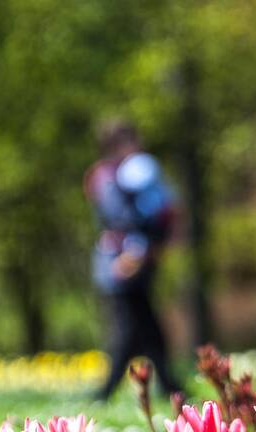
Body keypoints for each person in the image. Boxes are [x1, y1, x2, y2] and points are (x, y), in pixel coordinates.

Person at [85, 120, 183, 401]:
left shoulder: (139, 174)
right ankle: (105, 392)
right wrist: (137, 251)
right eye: (128, 140)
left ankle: (171, 387)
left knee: (149, 328)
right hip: (119, 263)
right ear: (113, 145)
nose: (135, 146)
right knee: (129, 330)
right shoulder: (105, 177)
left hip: (140, 261)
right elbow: (119, 219)